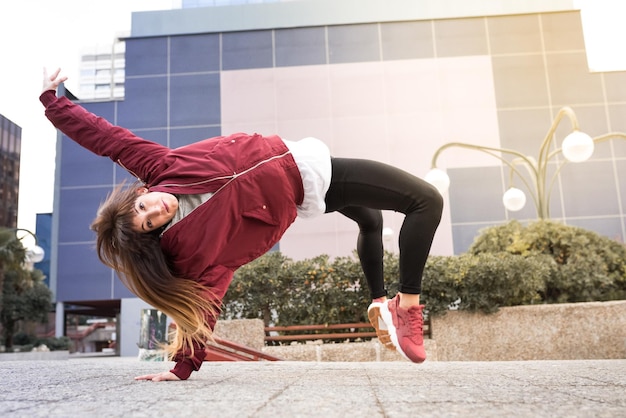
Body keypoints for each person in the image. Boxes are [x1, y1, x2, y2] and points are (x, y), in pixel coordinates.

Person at [41, 68, 443, 381]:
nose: (155, 210)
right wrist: (183, 366)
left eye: (143, 205)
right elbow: (205, 302)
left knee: (370, 221)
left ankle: (378, 301)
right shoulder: (193, 250)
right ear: (154, 236)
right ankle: (407, 305)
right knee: (425, 200)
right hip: (305, 175)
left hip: (295, 163)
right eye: (149, 223)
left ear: (140, 193)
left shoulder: (161, 168)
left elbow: (108, 139)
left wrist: (54, 103)